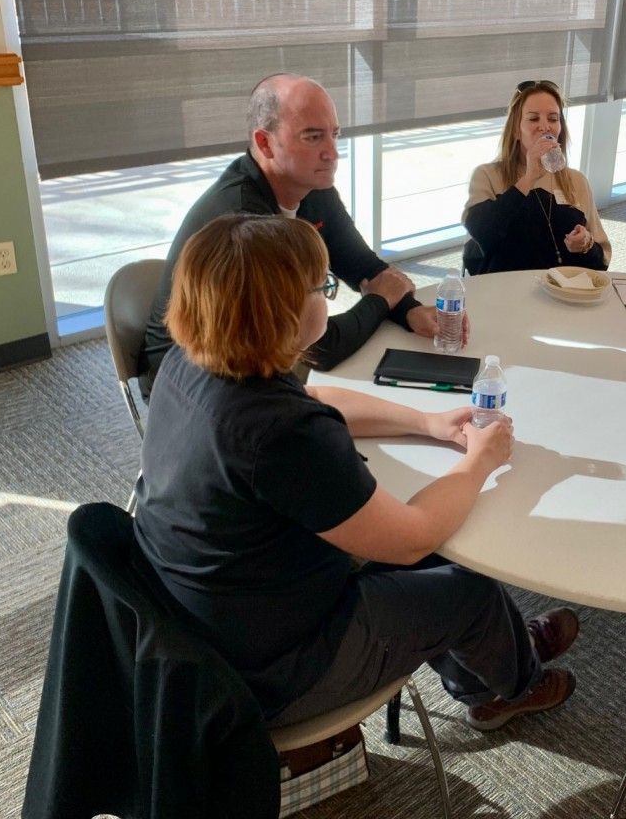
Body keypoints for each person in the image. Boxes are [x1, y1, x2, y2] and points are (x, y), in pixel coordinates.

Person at [133, 213, 578, 733]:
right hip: (271, 670)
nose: (328, 298)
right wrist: (479, 460)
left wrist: (427, 423)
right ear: (281, 311)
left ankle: (493, 656)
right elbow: (411, 538)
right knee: (466, 586)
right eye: (320, 288)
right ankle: (512, 685)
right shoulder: (283, 435)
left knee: (439, 549)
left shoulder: (192, 364)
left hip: (212, 614)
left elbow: (315, 396)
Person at [140, 73, 447, 397]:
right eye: (313, 138)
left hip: (254, 359)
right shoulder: (243, 224)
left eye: (334, 135)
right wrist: (383, 299)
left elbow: (362, 266)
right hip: (191, 382)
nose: (332, 153)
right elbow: (316, 346)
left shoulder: (311, 186)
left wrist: (409, 311)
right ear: (264, 143)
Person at [462, 79, 612, 274]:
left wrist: (586, 244)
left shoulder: (576, 181)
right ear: (516, 129)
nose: (545, 127)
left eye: (553, 119)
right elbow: (483, 234)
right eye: (534, 119)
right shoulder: (487, 175)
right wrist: (528, 178)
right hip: (507, 292)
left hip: (563, 293)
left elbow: (602, 262)